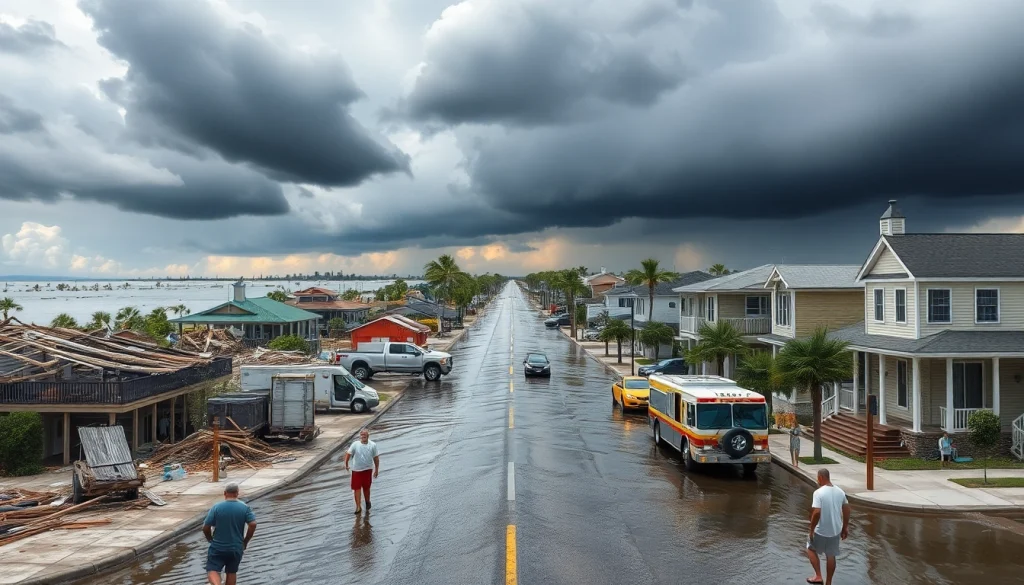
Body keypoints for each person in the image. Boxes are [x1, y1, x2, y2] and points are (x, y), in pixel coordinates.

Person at [202, 483, 257, 585]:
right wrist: (245, 541)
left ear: (224, 493)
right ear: (237, 493)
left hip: (218, 547)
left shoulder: (216, 507)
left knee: (212, 569)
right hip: (236, 547)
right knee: (231, 572)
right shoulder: (245, 507)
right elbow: (253, 524)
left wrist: (210, 539)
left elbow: (205, 527)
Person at [806, 468, 850, 585]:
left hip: (821, 530)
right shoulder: (840, 492)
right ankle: (829, 582)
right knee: (831, 555)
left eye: (817, 478)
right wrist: (845, 527)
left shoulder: (818, 493)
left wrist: (811, 529)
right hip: (835, 530)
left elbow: (817, 513)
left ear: (820, 478)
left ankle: (818, 576)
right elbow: (846, 509)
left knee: (810, 549)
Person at [344, 429, 380, 514]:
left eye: (365, 435)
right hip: (357, 470)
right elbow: (348, 454)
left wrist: (376, 469)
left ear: (368, 436)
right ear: (360, 436)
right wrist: (346, 464)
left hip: (368, 469)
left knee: (366, 487)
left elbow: (376, 458)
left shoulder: (373, 445)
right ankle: (358, 507)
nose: (363, 436)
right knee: (357, 488)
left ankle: (367, 502)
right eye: (362, 435)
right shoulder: (355, 444)